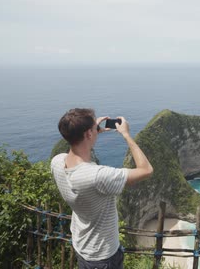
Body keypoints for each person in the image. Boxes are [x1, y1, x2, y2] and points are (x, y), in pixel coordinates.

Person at [51, 108, 153, 269]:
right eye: (93, 128)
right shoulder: (98, 176)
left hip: (81, 246)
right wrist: (126, 134)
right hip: (103, 257)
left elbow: (75, 148)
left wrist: (91, 132)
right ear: (88, 134)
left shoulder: (56, 162)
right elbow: (146, 170)